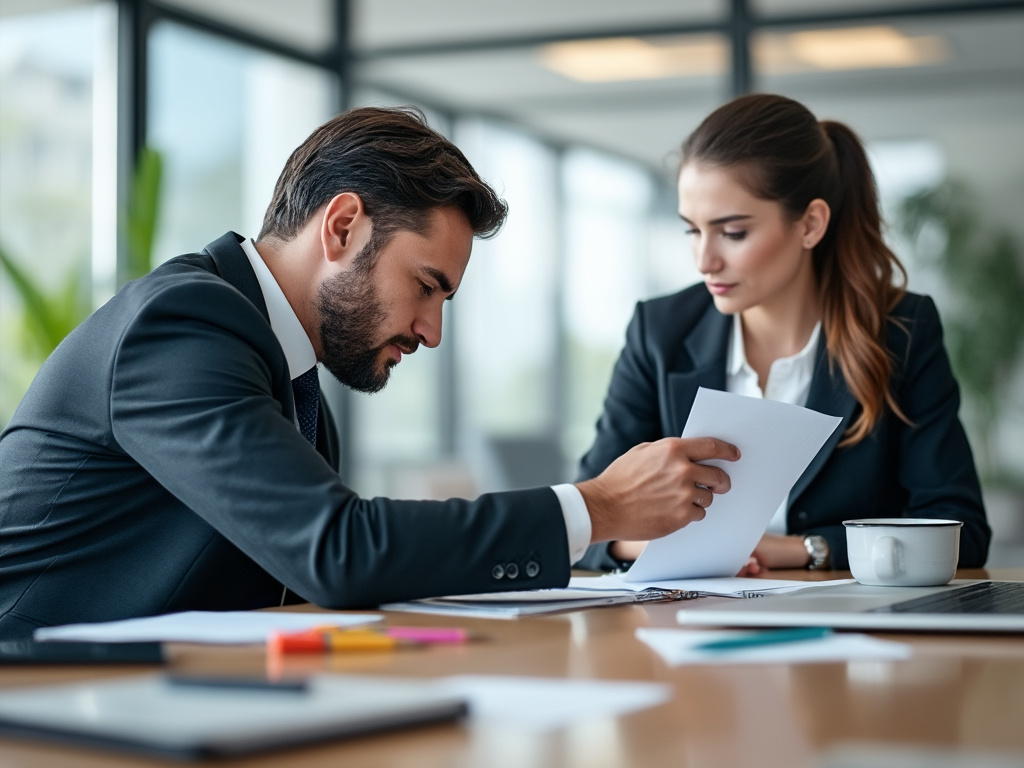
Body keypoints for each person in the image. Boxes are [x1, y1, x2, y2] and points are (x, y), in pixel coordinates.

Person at [0, 107, 739, 639]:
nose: (432, 331)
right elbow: (338, 550)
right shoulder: (184, 324)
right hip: (41, 699)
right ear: (343, 225)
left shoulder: (288, 377)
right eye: (426, 285)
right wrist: (594, 507)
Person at [575, 93, 990, 574]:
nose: (704, 260)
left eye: (732, 233)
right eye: (693, 230)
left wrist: (807, 549)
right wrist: (671, 550)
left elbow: (958, 528)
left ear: (810, 224)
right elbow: (588, 520)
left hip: (851, 631)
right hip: (687, 622)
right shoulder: (659, 332)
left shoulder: (900, 331)